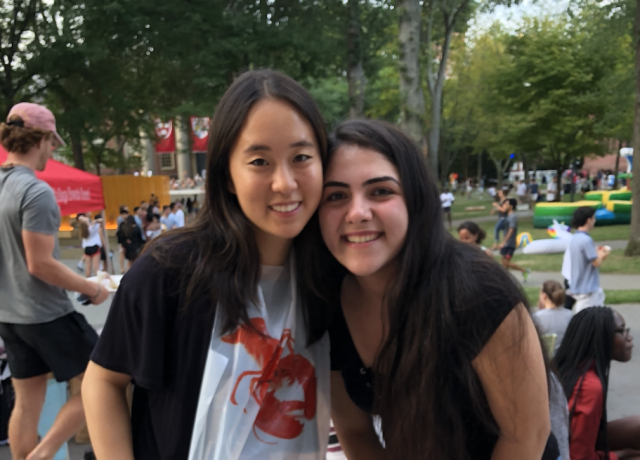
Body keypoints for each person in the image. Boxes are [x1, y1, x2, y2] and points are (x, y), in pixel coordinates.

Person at [82, 69, 332, 459]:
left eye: (301, 157)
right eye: (260, 161)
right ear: (227, 175)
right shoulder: (168, 274)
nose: (285, 182)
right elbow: (103, 380)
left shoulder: (331, 276)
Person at [317, 119, 557, 460]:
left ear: (415, 200)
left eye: (380, 191)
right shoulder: (327, 304)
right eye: (336, 196)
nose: (357, 213)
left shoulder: (479, 292)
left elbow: (526, 437)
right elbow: (354, 431)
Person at [0, 102, 109, 460]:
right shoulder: (36, 192)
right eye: (53, 143)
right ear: (42, 138)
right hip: (46, 313)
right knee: (101, 380)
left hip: (9, 315)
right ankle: (43, 454)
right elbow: (41, 264)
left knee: (26, 405)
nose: (53, 151)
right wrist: (93, 288)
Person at [555, 307, 640, 460]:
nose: (629, 337)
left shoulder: (569, 366)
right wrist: (621, 454)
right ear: (600, 338)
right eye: (621, 331)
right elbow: (578, 457)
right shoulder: (589, 386)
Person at [567, 207, 609, 312]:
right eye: (593, 218)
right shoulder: (586, 240)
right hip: (588, 289)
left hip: (578, 285)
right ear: (588, 220)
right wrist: (602, 254)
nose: (595, 221)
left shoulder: (575, 237)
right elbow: (596, 263)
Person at [533, 281, 573, 355]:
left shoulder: (537, 317)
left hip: (545, 358)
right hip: (564, 358)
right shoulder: (569, 315)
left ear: (544, 296)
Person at [499, 198, 531, 282]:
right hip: (506, 244)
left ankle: (524, 271)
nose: (504, 206)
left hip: (510, 244)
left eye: (506, 204)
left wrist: (504, 242)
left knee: (506, 262)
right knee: (503, 262)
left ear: (511, 206)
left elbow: (511, 230)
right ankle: (504, 279)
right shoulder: (508, 216)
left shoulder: (512, 217)